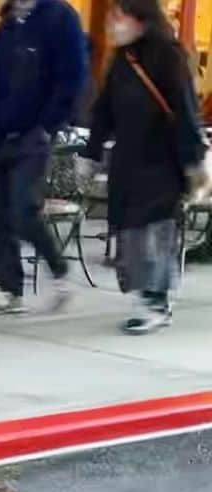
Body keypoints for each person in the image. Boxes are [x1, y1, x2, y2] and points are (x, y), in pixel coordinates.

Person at [80, 0, 208, 334]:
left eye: (119, 17)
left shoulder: (169, 56)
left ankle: (156, 300)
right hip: (128, 160)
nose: (112, 24)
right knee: (130, 230)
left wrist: (193, 162)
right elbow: (104, 110)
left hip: (163, 161)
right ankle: (144, 294)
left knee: (154, 231)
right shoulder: (123, 59)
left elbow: (185, 109)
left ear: (141, 20)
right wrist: (91, 153)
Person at [0, 0, 88, 316]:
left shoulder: (59, 17)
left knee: (23, 208)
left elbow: (72, 76)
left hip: (36, 132)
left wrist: (49, 124)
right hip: (5, 129)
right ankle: (9, 289)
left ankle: (59, 271)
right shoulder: (9, 23)